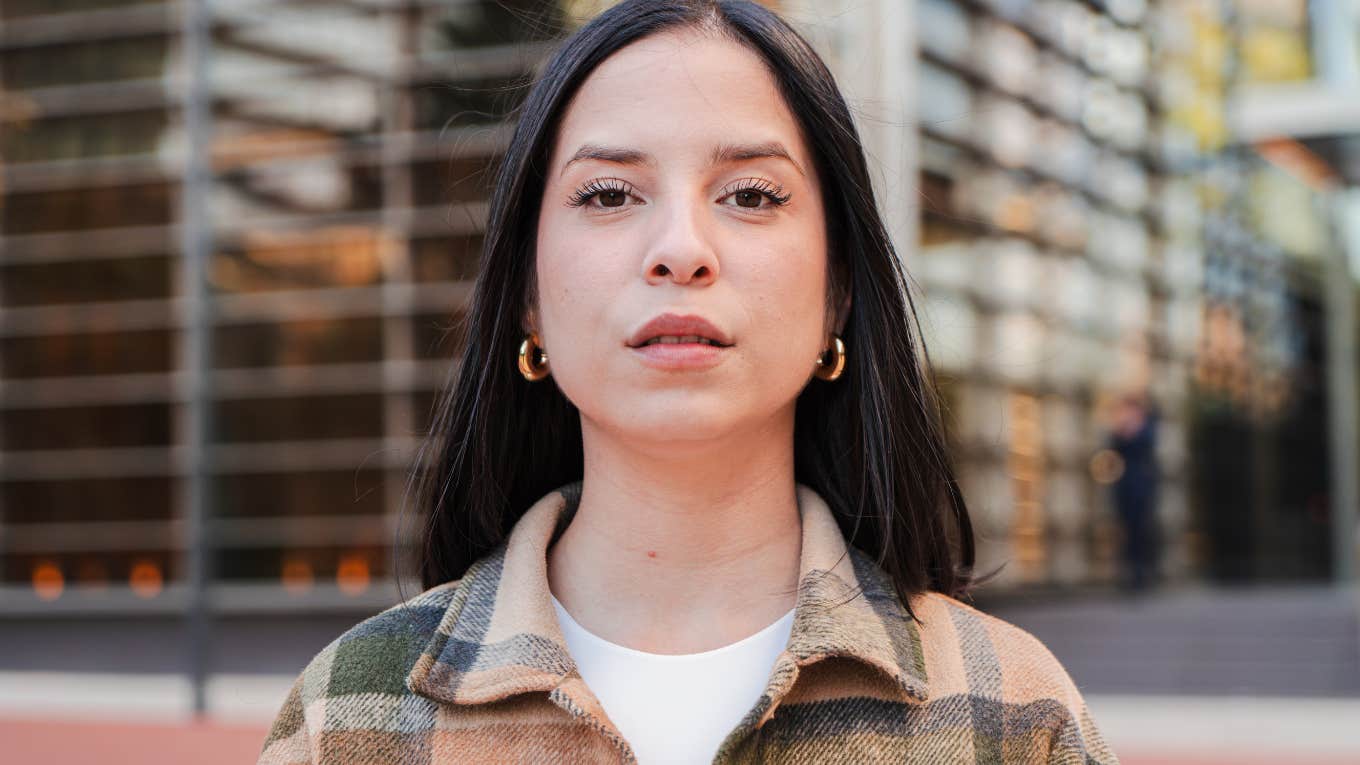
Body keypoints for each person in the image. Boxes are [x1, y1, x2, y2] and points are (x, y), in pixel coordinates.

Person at [258, 1, 1118, 762]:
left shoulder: (1009, 711)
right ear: (527, 298)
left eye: (749, 194)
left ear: (838, 296)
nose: (680, 247)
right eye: (606, 194)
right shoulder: (351, 715)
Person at [1108, 390, 1161, 592]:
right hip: (1125, 484)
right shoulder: (1120, 427)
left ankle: (1143, 573)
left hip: (1142, 483)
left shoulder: (1148, 425)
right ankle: (1130, 573)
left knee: (1142, 528)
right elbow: (1113, 445)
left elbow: (1146, 445)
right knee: (1126, 528)